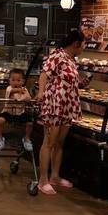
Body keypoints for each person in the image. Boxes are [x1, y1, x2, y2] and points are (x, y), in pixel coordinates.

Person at [36, 30, 89, 195]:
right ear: (76, 44)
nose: (84, 48)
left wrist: (81, 83)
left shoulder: (71, 59)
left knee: (59, 143)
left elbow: (67, 80)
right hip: (55, 105)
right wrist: (41, 93)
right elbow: (44, 74)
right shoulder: (57, 55)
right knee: (49, 142)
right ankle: (42, 180)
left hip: (67, 106)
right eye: (84, 44)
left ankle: (55, 176)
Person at [0, 69, 33, 152]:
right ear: (9, 81)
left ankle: (27, 138)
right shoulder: (9, 88)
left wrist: (25, 97)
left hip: (20, 113)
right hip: (8, 112)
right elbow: (11, 91)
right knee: (0, 121)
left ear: (23, 81)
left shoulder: (25, 90)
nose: (15, 82)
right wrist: (19, 91)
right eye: (13, 80)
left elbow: (28, 98)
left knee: (30, 123)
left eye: (18, 80)